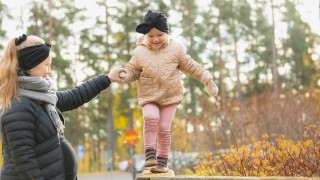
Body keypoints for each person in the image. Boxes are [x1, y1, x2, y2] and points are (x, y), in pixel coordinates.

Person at [0, 34, 126, 180]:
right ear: (30, 66)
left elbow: (75, 96)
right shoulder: (19, 107)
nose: (50, 70)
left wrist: (108, 78)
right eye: (46, 65)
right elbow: (25, 165)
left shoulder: (42, 98)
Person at [120, 10, 218, 173]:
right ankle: (150, 155)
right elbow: (132, 70)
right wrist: (124, 75)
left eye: (159, 34)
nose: (155, 39)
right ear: (145, 36)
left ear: (166, 33)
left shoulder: (176, 49)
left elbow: (191, 66)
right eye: (151, 36)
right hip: (149, 96)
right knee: (151, 118)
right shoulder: (139, 52)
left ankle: (162, 162)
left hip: (170, 96)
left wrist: (206, 78)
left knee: (164, 128)